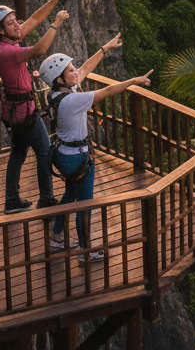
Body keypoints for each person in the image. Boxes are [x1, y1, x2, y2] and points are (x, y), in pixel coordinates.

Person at [39, 44, 151, 262]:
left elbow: (85, 69)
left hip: (63, 153)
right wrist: (133, 81)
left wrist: (105, 48)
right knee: (84, 204)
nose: (76, 72)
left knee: (70, 194)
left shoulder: (56, 94)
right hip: (77, 158)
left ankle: (56, 236)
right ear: (60, 79)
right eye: (70, 70)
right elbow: (107, 91)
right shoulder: (72, 100)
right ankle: (85, 251)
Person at [0, 0, 76, 213]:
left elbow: (35, 19)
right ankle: (46, 199)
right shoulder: (7, 51)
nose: (17, 25)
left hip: (15, 109)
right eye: (11, 23)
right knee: (45, 151)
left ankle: (12, 200)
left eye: (15, 20)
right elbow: (38, 50)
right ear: (0, 30)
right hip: (23, 112)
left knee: (18, 152)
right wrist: (56, 23)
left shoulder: (8, 41)